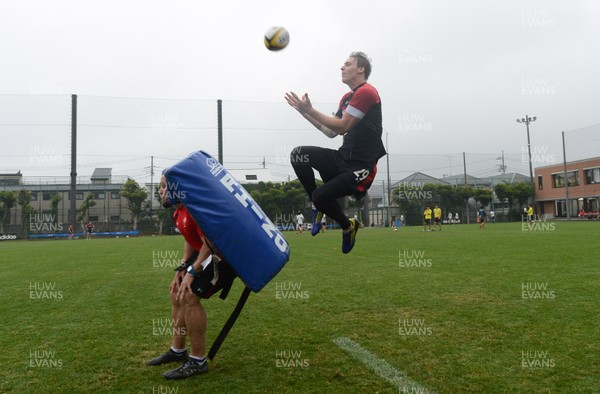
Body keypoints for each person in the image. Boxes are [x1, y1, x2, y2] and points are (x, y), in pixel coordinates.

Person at [285, 51, 385, 254]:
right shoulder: (347, 97)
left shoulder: (367, 92)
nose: (342, 67)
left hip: (359, 168)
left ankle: (348, 227)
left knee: (321, 196)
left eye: (347, 64)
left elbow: (342, 127)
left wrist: (311, 110)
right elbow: (331, 132)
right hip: (342, 158)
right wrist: (304, 112)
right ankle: (317, 205)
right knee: (298, 155)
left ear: (361, 69)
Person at [147, 176, 236, 380]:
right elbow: (190, 239)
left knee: (189, 296)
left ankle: (197, 361)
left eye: (163, 187)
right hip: (206, 255)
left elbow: (210, 242)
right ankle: (177, 351)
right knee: (177, 292)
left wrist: (192, 272)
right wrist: (183, 267)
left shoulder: (194, 210)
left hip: (223, 259)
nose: (160, 191)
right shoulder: (178, 211)